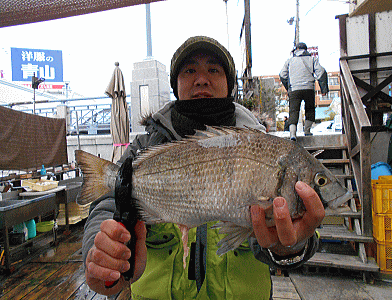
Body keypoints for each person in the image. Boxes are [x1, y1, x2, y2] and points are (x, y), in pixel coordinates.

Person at [82, 36, 325, 299]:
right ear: (176, 84)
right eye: (189, 70)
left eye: (213, 69)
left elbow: (303, 236)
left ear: (229, 85)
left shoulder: (265, 149)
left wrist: (290, 246)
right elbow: (108, 203)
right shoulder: (144, 147)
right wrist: (102, 255)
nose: (201, 79)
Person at [279, 42, 329, 141]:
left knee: (293, 110)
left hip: (294, 89)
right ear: (306, 50)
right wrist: (323, 89)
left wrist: (288, 87)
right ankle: (307, 131)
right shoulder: (312, 59)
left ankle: (292, 134)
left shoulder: (289, 61)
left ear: (296, 49)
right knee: (310, 109)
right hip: (309, 88)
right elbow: (321, 72)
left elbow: (282, 74)